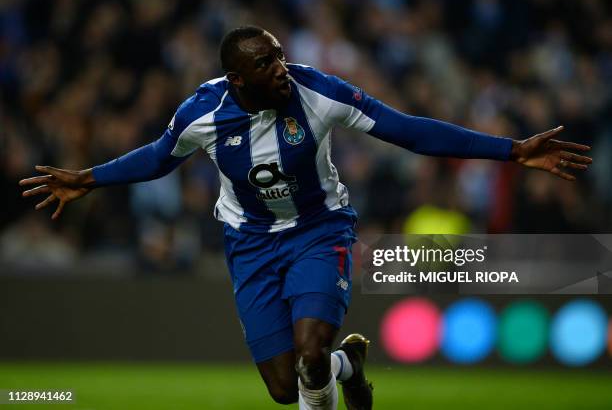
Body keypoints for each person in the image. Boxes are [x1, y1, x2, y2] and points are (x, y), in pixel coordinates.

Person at [19, 26, 592, 410]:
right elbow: (156, 158)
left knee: (310, 350)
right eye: (266, 63)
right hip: (249, 243)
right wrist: (88, 178)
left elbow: (411, 131)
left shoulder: (318, 92)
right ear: (238, 79)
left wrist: (511, 150)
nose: (282, 68)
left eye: (280, 55)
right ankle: (351, 367)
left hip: (320, 230)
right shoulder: (203, 113)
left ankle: (331, 363)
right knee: (283, 386)